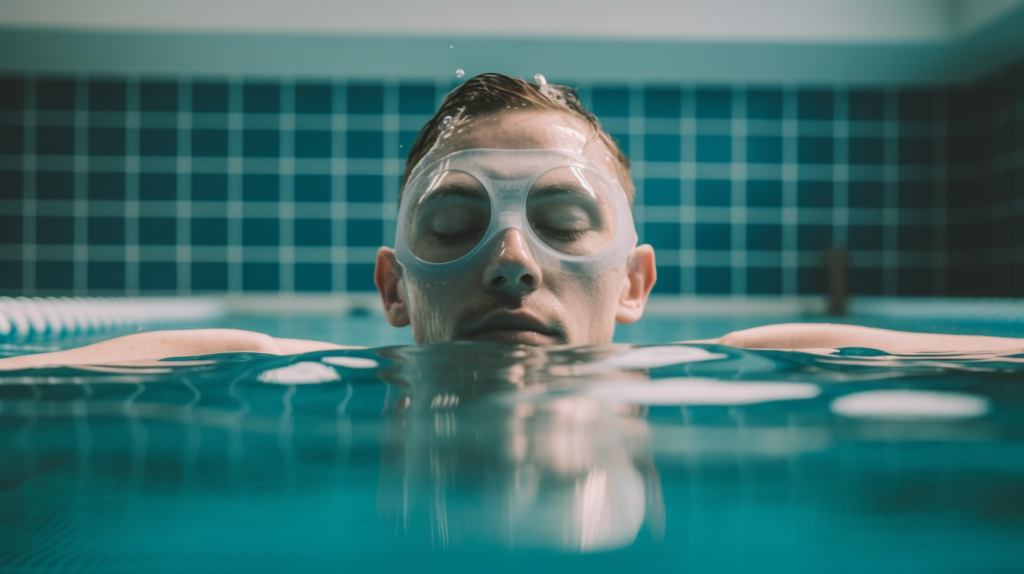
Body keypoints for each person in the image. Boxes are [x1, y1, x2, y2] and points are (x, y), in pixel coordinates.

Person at [1, 74, 1021, 369]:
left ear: (634, 283)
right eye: (455, 223)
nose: (512, 263)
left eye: (563, 219)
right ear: (392, 289)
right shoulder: (285, 362)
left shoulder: (743, 359)